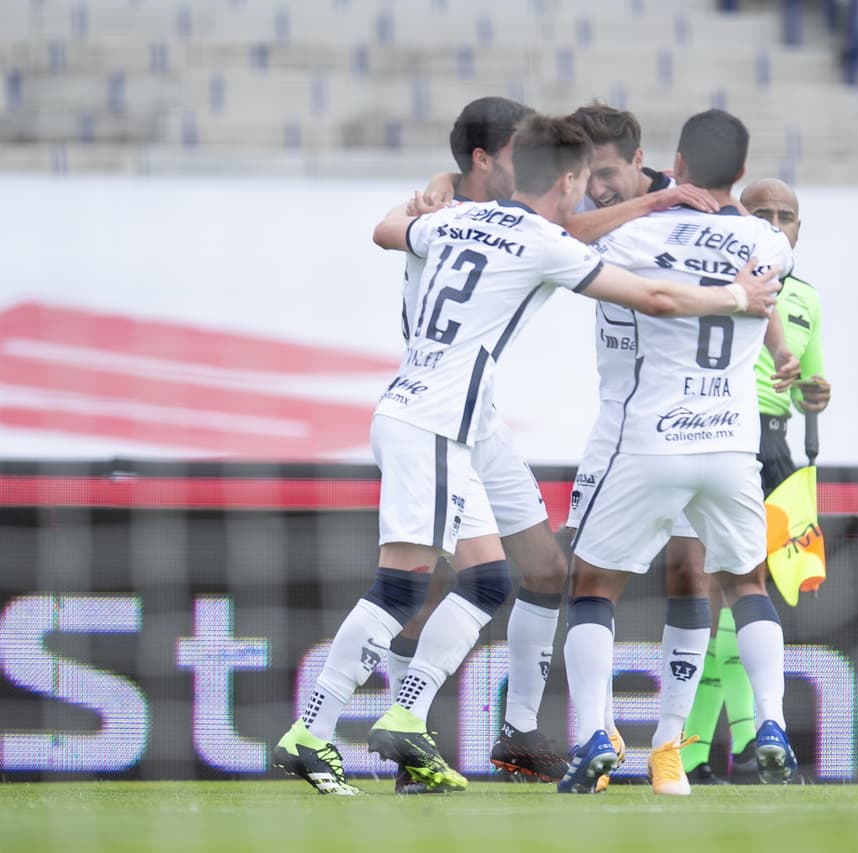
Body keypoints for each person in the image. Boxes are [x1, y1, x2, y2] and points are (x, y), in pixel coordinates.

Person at [271, 113, 780, 796]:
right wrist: (736, 295)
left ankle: (406, 716)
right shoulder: (543, 240)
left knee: (488, 579)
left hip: (431, 410)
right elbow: (656, 297)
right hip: (437, 420)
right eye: (584, 182)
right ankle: (310, 730)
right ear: (567, 180)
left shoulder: (451, 219)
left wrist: (431, 191)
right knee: (399, 586)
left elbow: (386, 228)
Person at [558, 109, 801, 797]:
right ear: (743, 176)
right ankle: (771, 724)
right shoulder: (766, 239)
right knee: (747, 583)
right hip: (729, 439)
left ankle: (599, 734)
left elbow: (566, 241)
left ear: (671, 163)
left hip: (647, 434)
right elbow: (762, 282)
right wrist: (776, 342)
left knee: (595, 586)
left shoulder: (635, 233)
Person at [382, 96, 576, 792]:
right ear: (487, 160)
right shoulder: (445, 217)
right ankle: (405, 735)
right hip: (436, 410)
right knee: (441, 578)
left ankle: (519, 734)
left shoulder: (454, 208)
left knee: (545, 566)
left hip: (479, 415)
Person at [681, 177, 832, 785]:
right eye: (759, 211)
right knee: (720, 593)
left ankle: (719, 749)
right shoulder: (715, 280)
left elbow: (808, 385)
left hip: (775, 448)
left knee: (749, 594)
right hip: (718, 436)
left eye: (785, 215)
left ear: (798, 229)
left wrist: (815, 395)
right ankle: (723, 745)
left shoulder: (808, 300)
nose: (773, 222)